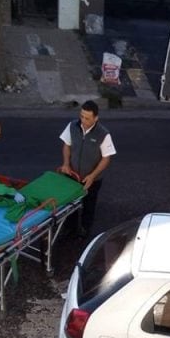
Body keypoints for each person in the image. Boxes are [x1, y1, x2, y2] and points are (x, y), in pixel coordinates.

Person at [58, 100, 116, 238]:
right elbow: (67, 145)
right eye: (82, 116)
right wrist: (66, 164)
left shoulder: (103, 134)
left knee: (89, 205)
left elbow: (106, 158)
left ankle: (84, 229)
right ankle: (69, 228)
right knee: (70, 203)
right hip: (72, 175)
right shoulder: (72, 126)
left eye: (87, 118)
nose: (83, 120)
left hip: (92, 179)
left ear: (96, 118)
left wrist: (92, 175)